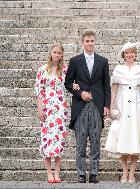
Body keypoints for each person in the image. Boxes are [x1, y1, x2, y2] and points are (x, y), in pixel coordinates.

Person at [64, 31, 111, 183]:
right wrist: (79, 93)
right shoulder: (75, 61)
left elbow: (106, 85)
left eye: (92, 41)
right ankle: (81, 173)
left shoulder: (103, 61)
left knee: (96, 141)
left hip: (97, 106)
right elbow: (68, 83)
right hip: (81, 107)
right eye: (87, 41)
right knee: (81, 141)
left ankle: (94, 173)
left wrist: (107, 105)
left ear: (94, 42)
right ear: (82, 43)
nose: (90, 43)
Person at [104, 42, 140, 183]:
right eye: (127, 53)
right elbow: (114, 89)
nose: (130, 55)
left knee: (136, 138)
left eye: (132, 52)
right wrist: (111, 107)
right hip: (122, 105)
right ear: (123, 55)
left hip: (136, 106)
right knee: (121, 138)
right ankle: (124, 172)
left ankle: (132, 173)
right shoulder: (118, 69)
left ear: (135, 54)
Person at [34, 43, 69, 183]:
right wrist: (40, 109)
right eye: (55, 52)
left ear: (62, 55)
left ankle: (57, 173)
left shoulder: (65, 70)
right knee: (47, 140)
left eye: (59, 53)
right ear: (50, 53)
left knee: (59, 140)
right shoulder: (42, 70)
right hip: (47, 108)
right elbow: (39, 92)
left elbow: (71, 85)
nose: (57, 55)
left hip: (61, 108)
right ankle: (49, 173)